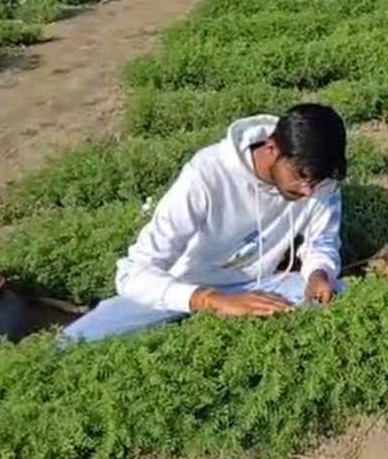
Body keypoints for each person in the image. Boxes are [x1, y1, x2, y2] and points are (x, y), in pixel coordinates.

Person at [62, 104, 348, 342]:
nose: (309, 191)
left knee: (340, 298)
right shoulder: (207, 176)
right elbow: (133, 273)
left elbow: (321, 241)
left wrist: (318, 274)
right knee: (74, 343)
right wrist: (209, 299)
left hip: (258, 285)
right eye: (301, 176)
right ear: (271, 149)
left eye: (318, 181)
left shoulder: (319, 183)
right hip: (181, 285)